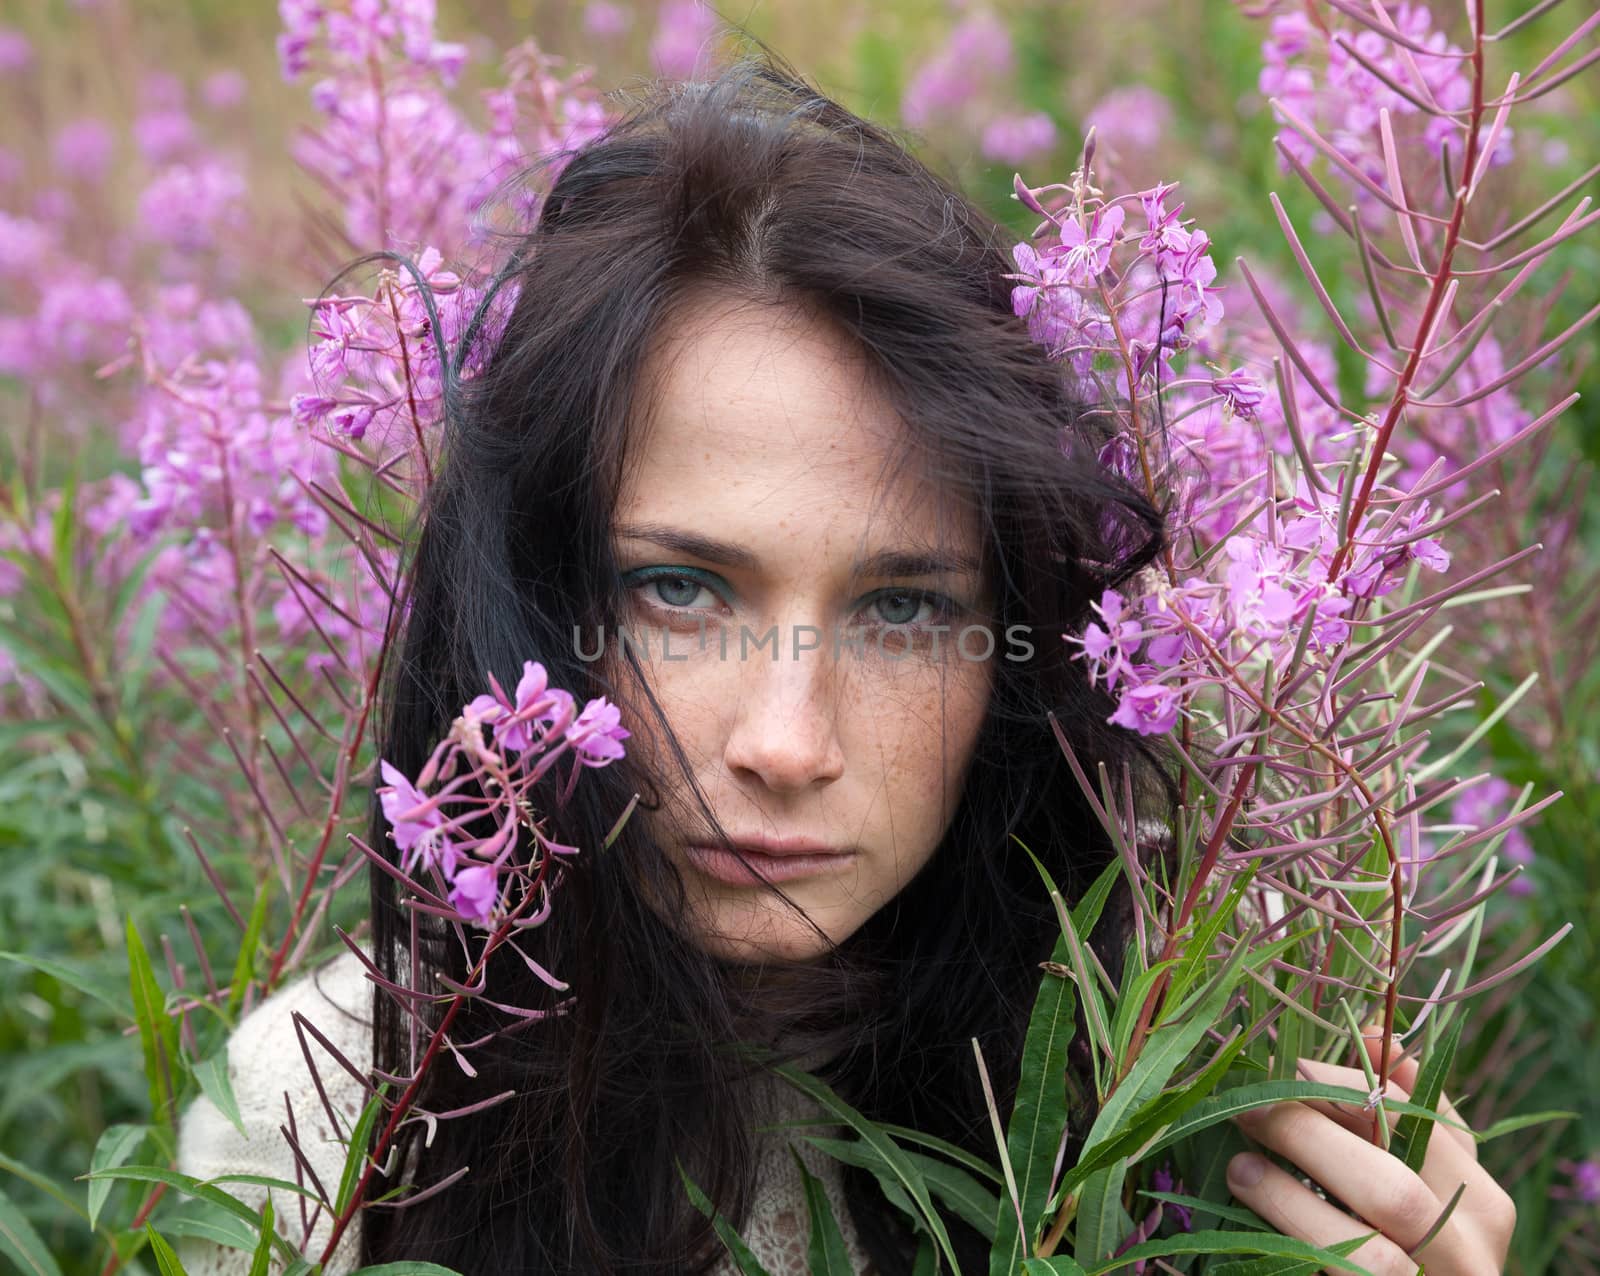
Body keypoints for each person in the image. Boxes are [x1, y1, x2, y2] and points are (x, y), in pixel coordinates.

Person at [176, 41, 1516, 1276]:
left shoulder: (1222, 1060)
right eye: (680, 589)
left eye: (907, 612)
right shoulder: (319, 1128)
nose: (786, 743)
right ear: (531, 597)